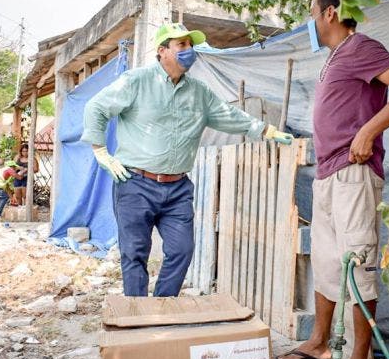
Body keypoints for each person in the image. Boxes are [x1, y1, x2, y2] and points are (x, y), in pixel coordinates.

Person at [275, 0, 389, 359]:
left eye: (312, 14)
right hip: (329, 174)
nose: (311, 21)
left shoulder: (361, 48)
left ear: (329, 13)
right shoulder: (335, 57)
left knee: (358, 263)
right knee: (327, 263)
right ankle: (319, 342)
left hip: (353, 174)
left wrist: (368, 131)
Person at [83, 22, 294, 297]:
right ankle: (137, 318)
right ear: (162, 51)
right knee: (134, 254)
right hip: (135, 183)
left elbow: (230, 117)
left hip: (177, 188)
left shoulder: (199, 92)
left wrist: (267, 130)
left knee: (182, 250)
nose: (189, 50)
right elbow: (95, 107)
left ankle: (162, 307)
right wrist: (100, 151)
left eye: (190, 45)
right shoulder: (137, 81)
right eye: (181, 45)